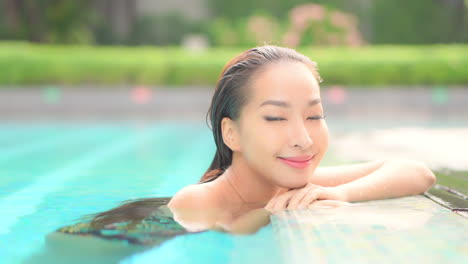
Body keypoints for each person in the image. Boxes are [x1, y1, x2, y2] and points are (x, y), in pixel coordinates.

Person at [167, 45, 436, 232]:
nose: (304, 139)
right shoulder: (196, 201)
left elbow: (418, 173)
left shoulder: (298, 186)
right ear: (232, 134)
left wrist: (338, 193)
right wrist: (264, 217)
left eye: (314, 116)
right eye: (276, 117)